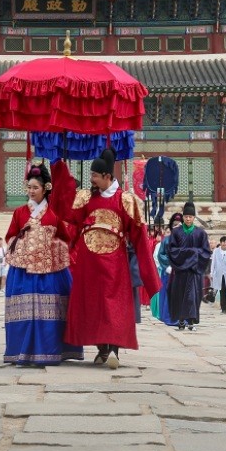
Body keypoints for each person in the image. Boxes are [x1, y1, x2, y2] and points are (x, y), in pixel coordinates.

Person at [63, 148, 159, 368]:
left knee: (113, 304)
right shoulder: (85, 197)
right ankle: (102, 349)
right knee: (93, 304)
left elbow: (138, 236)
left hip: (115, 261)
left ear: (107, 176)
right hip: (88, 262)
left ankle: (114, 348)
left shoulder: (125, 199)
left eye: (95, 175)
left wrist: (147, 272)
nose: (91, 179)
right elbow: (71, 225)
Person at [3, 163, 81, 366]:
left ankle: (52, 350)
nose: (31, 191)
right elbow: (10, 235)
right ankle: (21, 351)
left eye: (35, 187)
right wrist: (23, 243)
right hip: (24, 270)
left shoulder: (54, 213)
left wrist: (50, 246)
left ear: (46, 188)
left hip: (50, 271)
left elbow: (65, 238)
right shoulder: (20, 213)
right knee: (25, 310)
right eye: (28, 187)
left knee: (53, 309)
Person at [166, 202, 212, 331]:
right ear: (183, 217)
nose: (188, 219)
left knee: (193, 296)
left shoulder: (200, 233)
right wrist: (192, 253)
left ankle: (191, 321)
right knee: (180, 296)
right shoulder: (176, 232)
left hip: (194, 271)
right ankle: (181, 321)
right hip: (181, 271)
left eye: (190, 217)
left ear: (194, 218)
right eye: (186, 216)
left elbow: (206, 252)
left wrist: (192, 255)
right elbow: (172, 250)